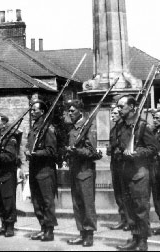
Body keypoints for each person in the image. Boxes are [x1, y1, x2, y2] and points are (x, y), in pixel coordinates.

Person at [115, 95, 159, 251]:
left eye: (121, 106)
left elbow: (154, 148)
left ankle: (143, 241)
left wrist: (136, 153)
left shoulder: (141, 126)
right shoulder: (121, 126)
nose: (118, 109)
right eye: (118, 107)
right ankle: (135, 237)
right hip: (126, 172)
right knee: (129, 208)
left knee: (141, 208)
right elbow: (119, 146)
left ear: (132, 107)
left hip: (139, 173)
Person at [63, 100, 98, 247]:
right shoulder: (73, 129)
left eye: (72, 111)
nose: (69, 113)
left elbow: (92, 152)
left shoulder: (87, 128)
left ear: (80, 111)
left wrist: (76, 151)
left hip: (85, 171)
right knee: (77, 204)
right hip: (75, 170)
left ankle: (89, 234)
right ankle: (81, 233)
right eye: (69, 111)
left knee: (87, 204)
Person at [24, 100, 58, 242]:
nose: (32, 112)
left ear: (42, 112)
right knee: (37, 202)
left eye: (34, 110)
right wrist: (26, 150)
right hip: (34, 169)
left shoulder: (47, 129)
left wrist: (35, 154)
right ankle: (43, 228)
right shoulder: (34, 128)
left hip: (45, 170)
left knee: (46, 201)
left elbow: (52, 151)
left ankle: (49, 231)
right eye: (31, 110)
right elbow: (28, 145)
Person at [0, 114, 19, 238]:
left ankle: (10, 227)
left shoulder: (9, 139)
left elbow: (11, 157)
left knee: (8, 201)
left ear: (4, 124)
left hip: (6, 174)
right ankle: (3, 225)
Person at [107, 106, 130, 232]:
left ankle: (129, 220)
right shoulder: (113, 129)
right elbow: (112, 144)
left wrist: (117, 148)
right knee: (118, 194)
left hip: (123, 163)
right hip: (115, 163)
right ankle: (123, 219)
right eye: (112, 113)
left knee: (125, 193)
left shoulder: (125, 128)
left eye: (115, 113)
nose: (113, 115)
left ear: (121, 114)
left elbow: (125, 144)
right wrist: (110, 149)